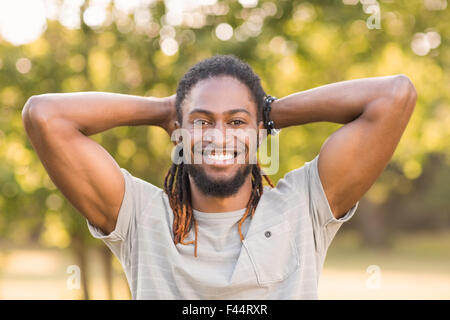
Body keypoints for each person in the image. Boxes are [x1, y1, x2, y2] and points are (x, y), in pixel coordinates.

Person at [22, 54, 417, 299]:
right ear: (178, 132)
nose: (218, 136)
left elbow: (394, 96)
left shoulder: (304, 206)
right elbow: (45, 116)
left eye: (236, 122)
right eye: (201, 121)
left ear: (260, 133)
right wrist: (166, 109)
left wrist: (268, 114)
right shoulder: (140, 217)